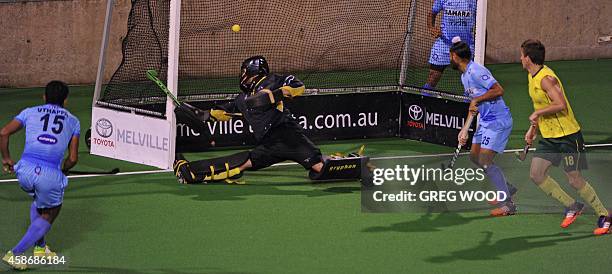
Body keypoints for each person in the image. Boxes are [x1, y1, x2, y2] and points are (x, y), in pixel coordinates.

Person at [173, 56, 369, 184]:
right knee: (243, 163)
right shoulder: (242, 100)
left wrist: (275, 94)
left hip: (287, 136)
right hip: (269, 144)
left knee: (319, 168)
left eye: (244, 72)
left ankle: (359, 166)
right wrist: (201, 114)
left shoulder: (272, 80)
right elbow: (222, 113)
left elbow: (298, 86)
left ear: (251, 71)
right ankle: (190, 172)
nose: (242, 76)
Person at [520, 39, 611, 235]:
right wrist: (532, 129)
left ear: (528, 58)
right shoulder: (531, 76)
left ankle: (605, 215)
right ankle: (572, 205)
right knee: (536, 174)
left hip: (568, 136)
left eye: (521, 55)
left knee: (575, 180)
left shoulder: (546, 79)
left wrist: (537, 114)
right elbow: (539, 107)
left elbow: (560, 104)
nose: (520, 58)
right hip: (549, 137)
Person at [1, 81, 80, 270]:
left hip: (25, 170)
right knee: (52, 210)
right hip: (49, 173)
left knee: (39, 200)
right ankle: (15, 254)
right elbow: (73, 158)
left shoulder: (29, 112)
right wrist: (64, 170)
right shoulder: (73, 121)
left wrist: (6, 159)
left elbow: (3, 132)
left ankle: (40, 247)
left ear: (44, 97)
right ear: (65, 101)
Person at [451, 37, 517, 217]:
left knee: (485, 160)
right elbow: (473, 107)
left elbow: (498, 90)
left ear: (455, 57)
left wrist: (478, 99)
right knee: (474, 157)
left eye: (451, 56)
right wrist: (464, 129)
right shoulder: (464, 77)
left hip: (498, 121)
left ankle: (508, 205)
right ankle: (506, 187)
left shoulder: (476, 71)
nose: (450, 59)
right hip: (485, 122)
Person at [424, 0, 477, 90]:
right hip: (444, 43)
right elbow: (432, 13)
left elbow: (482, 24)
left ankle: (468, 100)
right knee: (433, 76)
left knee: (470, 79)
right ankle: (425, 96)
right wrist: (431, 28)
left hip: (466, 45)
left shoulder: (476, 1)